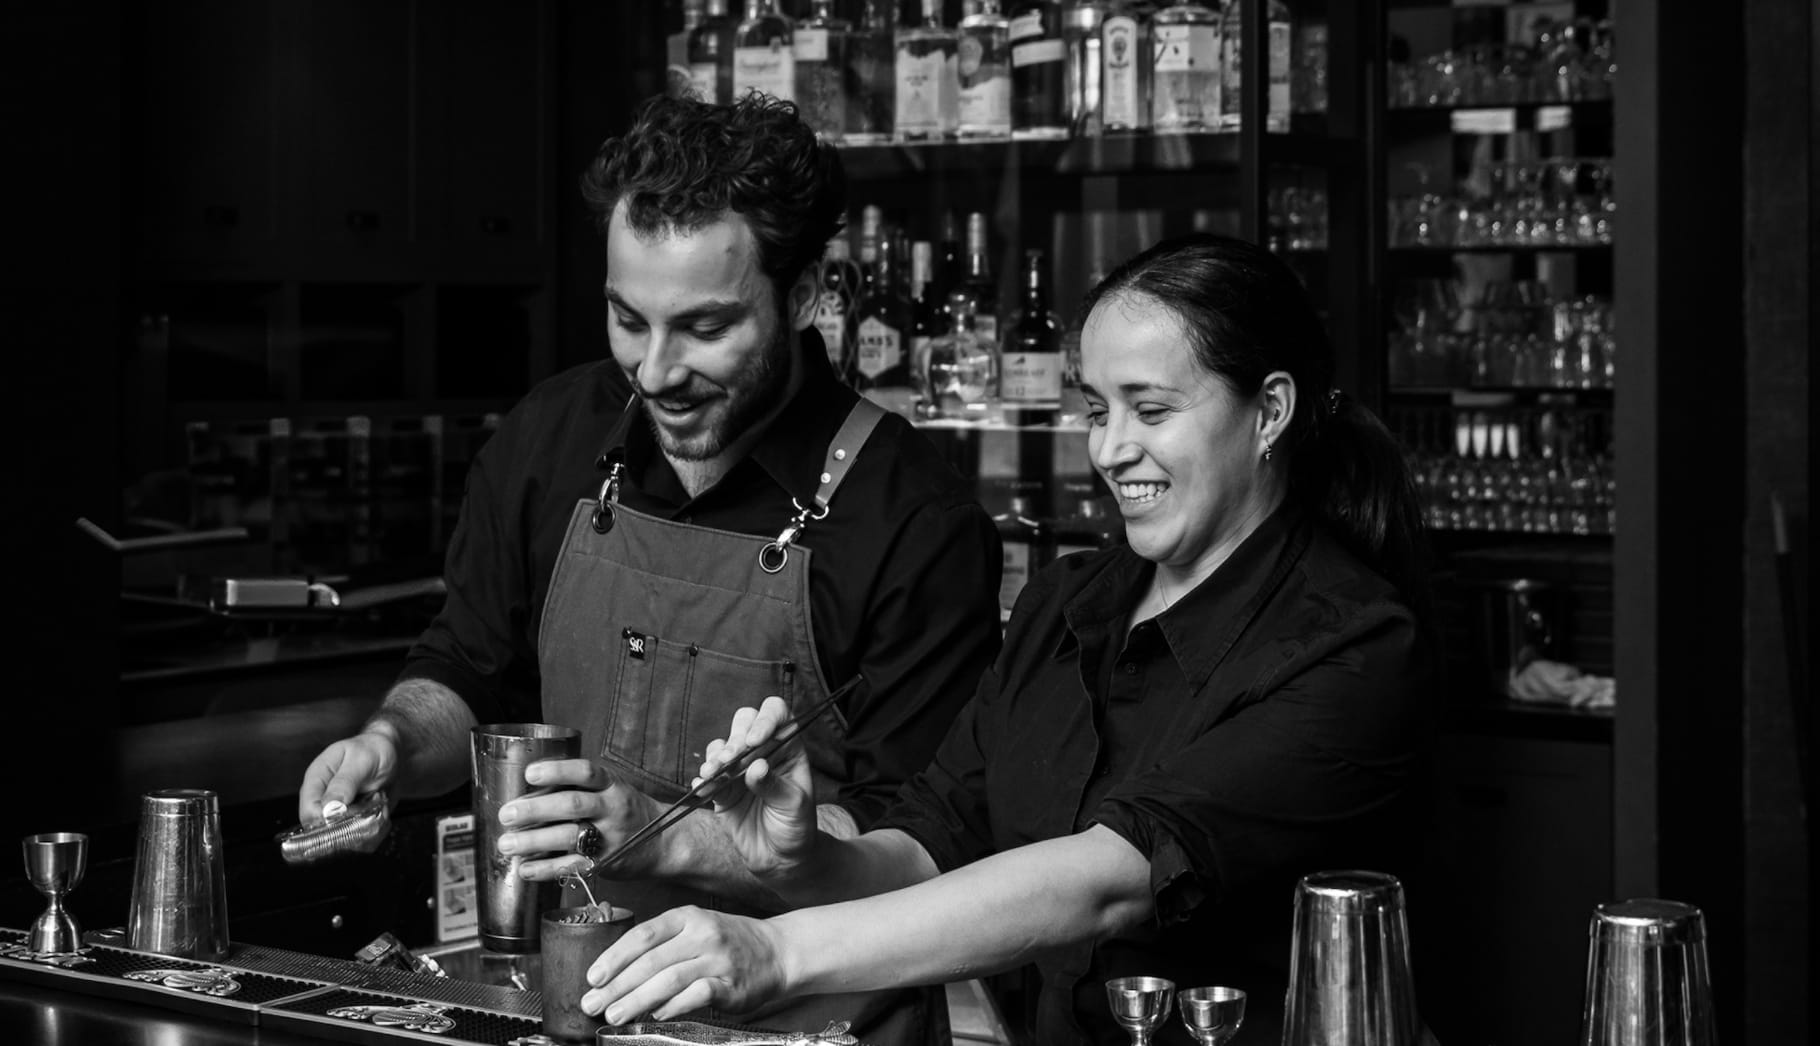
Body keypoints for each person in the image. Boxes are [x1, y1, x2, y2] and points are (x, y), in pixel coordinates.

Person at [575, 232, 1434, 1045]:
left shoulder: (1353, 648)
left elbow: (1106, 884)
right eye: (1097, 409)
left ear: (1269, 411)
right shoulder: (1067, 603)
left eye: (1153, 409)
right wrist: (801, 862)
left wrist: (781, 953)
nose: (1111, 448)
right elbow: (930, 847)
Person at [296, 93, 1002, 1045]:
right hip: (567, 1006)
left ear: (803, 297)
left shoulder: (914, 519)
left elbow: (919, 853)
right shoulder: (553, 436)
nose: (656, 372)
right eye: (628, 319)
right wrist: (390, 745)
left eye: (705, 328)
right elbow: (467, 667)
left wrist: (663, 829)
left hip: (809, 1025)